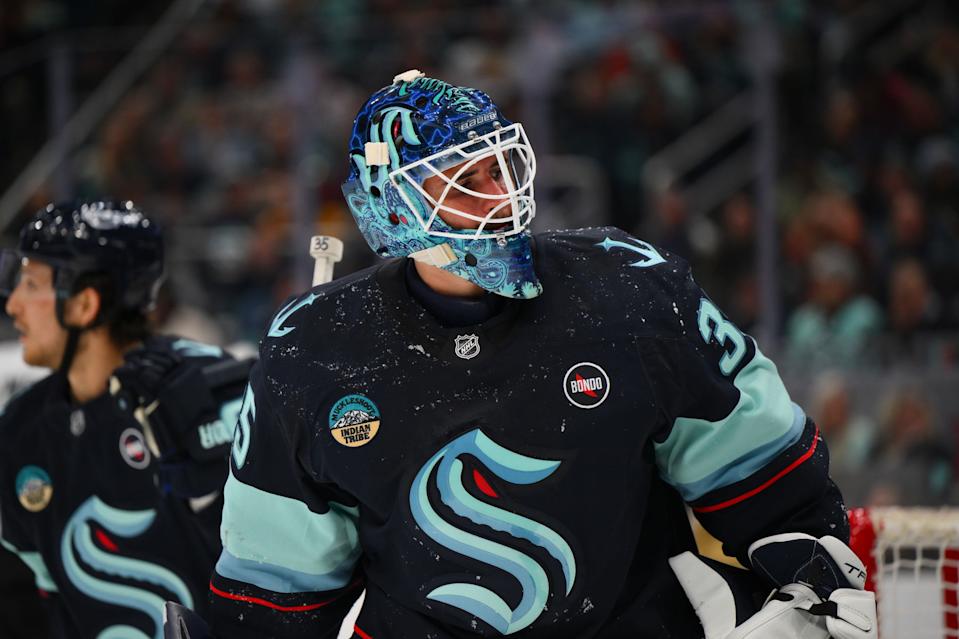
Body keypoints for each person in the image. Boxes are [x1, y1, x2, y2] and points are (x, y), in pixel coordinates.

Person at [205, 72, 876, 638]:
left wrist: (809, 582)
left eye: (499, 167)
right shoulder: (313, 351)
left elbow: (762, 472)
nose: (500, 195)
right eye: (464, 181)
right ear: (393, 208)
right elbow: (274, 590)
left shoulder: (627, 289)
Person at [0, 200, 250, 638]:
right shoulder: (21, 429)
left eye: (31, 284)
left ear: (84, 304)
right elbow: (33, 598)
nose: (13, 304)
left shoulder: (218, 397)